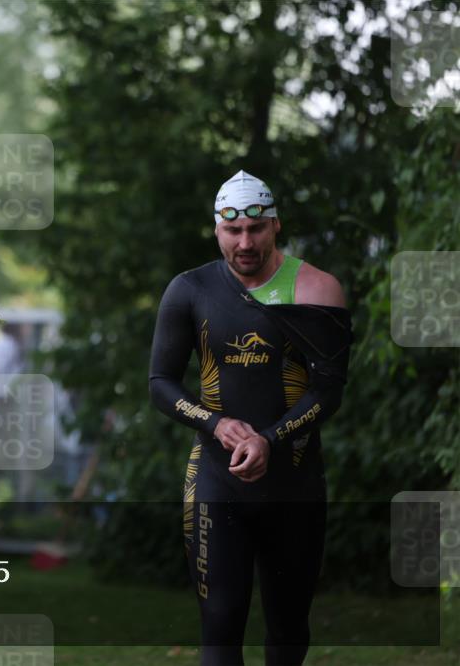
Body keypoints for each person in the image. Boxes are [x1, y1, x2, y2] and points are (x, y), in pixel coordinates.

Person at [149, 170, 353, 666]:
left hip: (295, 483)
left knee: (288, 630)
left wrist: (269, 438)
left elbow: (329, 392)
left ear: (275, 225)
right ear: (216, 229)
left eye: (256, 228)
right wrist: (215, 424)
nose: (245, 242)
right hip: (218, 481)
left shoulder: (318, 289)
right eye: (233, 230)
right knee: (219, 630)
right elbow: (160, 384)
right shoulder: (190, 290)